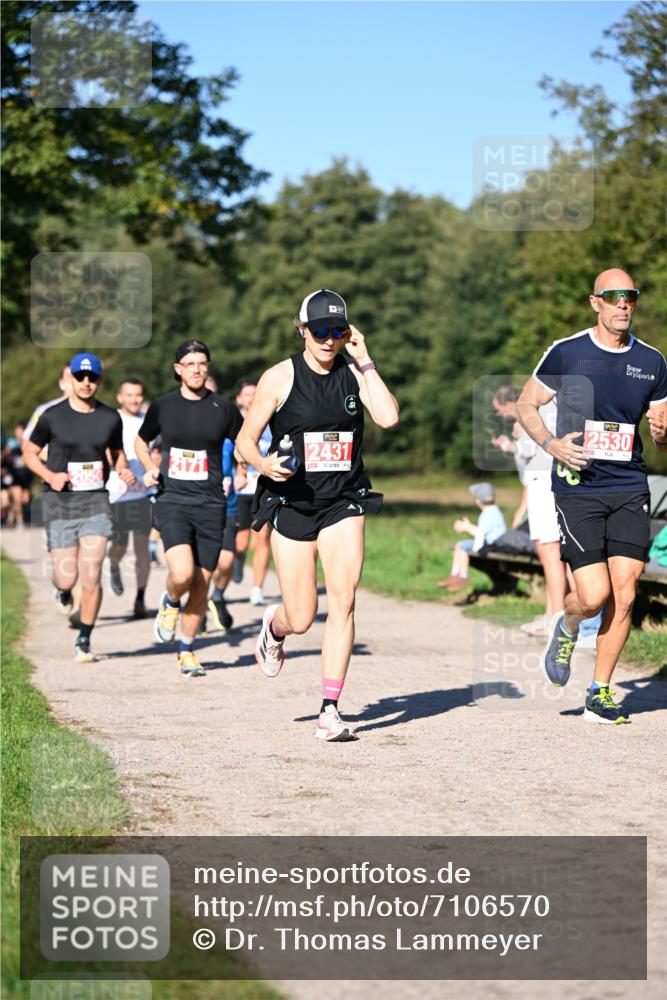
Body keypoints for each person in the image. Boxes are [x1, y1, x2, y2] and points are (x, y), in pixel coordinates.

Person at [236, 288, 399, 742]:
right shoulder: (279, 377)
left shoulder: (353, 370)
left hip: (344, 500)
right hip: (293, 502)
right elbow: (246, 441)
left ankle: (329, 709)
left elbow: (387, 417)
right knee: (302, 615)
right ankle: (275, 627)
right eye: (320, 331)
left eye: (338, 331)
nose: (329, 340)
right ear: (302, 329)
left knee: (344, 599)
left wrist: (365, 359)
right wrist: (264, 464)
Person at [517, 268, 667, 724]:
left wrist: (663, 433)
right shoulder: (568, 352)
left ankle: (598, 692)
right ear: (595, 303)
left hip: (628, 486)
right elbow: (526, 404)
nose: (624, 304)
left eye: (631, 297)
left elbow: (661, 436)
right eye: (614, 297)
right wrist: (551, 444)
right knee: (594, 594)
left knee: (624, 597)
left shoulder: (653, 361)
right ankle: (566, 624)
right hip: (579, 487)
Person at [135, 340, 243, 677]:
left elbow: (243, 442)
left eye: (202, 363)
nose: (197, 369)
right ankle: (169, 603)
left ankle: (186, 649)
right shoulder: (163, 406)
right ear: (178, 369)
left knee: (201, 584)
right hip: (173, 501)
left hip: (211, 504)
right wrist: (147, 467)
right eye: (190, 363)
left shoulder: (223, 408)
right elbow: (141, 440)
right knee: (182, 573)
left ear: (208, 368)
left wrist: (242, 469)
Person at [22, 353, 133, 662]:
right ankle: (63, 591)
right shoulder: (52, 416)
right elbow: (29, 452)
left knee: (91, 574)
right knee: (66, 578)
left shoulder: (110, 417)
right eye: (80, 377)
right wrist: (48, 475)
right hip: (60, 502)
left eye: (92, 378)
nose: (86, 383)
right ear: (70, 379)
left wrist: (122, 468)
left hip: (96, 501)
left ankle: (84, 638)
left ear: (98, 381)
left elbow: (116, 451)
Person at [107, 378, 153, 619]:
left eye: (138, 395)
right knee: (119, 546)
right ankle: (114, 565)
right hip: (117, 494)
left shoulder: (148, 421)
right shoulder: (111, 419)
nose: (134, 399)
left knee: (142, 548)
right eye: (129, 395)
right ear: (120, 397)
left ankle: (140, 598)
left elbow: (155, 451)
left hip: (142, 493)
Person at [233, 379, 272, 605]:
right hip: (240, 491)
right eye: (247, 394)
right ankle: (238, 559)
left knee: (262, 539)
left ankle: (257, 588)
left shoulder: (271, 420)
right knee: (240, 542)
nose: (251, 397)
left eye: (255, 393)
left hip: (264, 488)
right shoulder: (234, 420)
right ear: (239, 399)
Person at [438, 483, 506, 591]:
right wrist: (469, 526)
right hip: (493, 543)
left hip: (491, 545)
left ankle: (463, 576)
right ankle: (455, 575)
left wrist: (466, 527)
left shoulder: (488, 513)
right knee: (460, 545)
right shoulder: (493, 511)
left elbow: (480, 533)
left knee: (462, 546)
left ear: (478, 501)